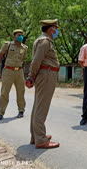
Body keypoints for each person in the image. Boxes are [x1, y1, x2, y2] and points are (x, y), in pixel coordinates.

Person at [26, 19, 60, 148]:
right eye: (56, 28)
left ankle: (36, 136)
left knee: (38, 106)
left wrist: (32, 76)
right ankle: (41, 139)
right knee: (42, 107)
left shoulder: (41, 40)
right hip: (46, 74)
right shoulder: (45, 42)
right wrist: (31, 76)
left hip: (45, 74)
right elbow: (36, 61)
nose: (57, 31)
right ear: (51, 29)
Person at [0, 29, 28, 121]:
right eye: (18, 35)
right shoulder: (7, 45)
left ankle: (21, 110)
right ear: (14, 36)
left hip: (19, 71)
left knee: (21, 92)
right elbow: (0, 56)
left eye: (22, 35)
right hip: (8, 71)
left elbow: (23, 59)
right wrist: (4, 66)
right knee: (4, 93)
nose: (20, 36)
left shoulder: (25, 48)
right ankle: (0, 113)